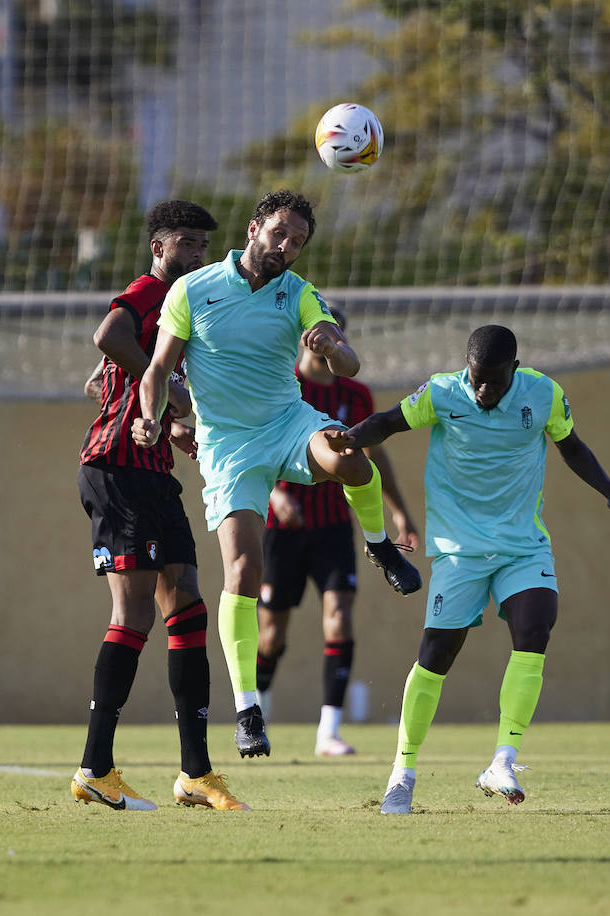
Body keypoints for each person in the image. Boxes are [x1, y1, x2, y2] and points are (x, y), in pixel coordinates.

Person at [132, 189, 421, 760]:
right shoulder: (193, 290)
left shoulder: (300, 292)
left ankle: (380, 547)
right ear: (254, 228)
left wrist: (331, 346)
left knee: (348, 456)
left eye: (297, 241)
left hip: (289, 423)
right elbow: (158, 369)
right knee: (242, 570)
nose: (286, 247)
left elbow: (350, 361)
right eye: (279, 234)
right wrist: (150, 420)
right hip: (228, 446)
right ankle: (246, 708)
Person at [325, 324, 610, 814]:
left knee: (537, 623)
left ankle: (503, 760)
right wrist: (350, 438)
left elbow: (572, 446)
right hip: (458, 550)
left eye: (495, 381)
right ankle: (403, 772)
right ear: (467, 366)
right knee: (437, 654)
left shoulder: (543, 394)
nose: (483, 389)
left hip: (522, 545)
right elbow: (390, 422)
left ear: (515, 371)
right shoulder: (441, 392)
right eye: (476, 377)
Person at [71, 200, 248, 812]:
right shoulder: (149, 290)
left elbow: (101, 381)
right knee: (136, 611)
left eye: (203, 246)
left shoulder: (183, 309)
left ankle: (195, 774)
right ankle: (95, 767)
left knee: (189, 603)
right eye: (186, 243)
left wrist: (175, 425)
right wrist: (163, 389)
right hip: (117, 469)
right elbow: (108, 338)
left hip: (152, 471)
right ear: (159, 247)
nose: (196, 255)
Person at [255, 306, 420, 757]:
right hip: (283, 529)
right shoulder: (280, 384)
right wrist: (275, 495)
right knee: (271, 634)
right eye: (315, 333)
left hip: (333, 528)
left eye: (333, 335)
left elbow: (373, 456)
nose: (323, 342)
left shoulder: (357, 396)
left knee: (340, 617)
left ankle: (329, 730)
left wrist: (399, 512)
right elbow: (255, 444)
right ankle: (257, 717)